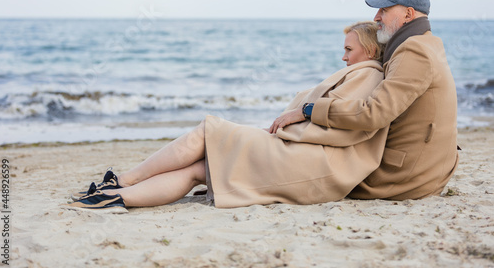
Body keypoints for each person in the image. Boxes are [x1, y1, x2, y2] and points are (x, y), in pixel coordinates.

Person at [66, 21, 388, 212]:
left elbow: (346, 125)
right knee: (199, 169)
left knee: (208, 130)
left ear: (370, 51)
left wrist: (289, 125)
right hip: (303, 154)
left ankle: (121, 183)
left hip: (311, 161)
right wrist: (284, 128)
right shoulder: (362, 73)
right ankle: (118, 196)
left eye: (349, 49)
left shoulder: (368, 75)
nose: (343, 55)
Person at [285, 0, 459, 200]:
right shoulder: (429, 43)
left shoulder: (413, 50)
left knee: (298, 165)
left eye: (384, 10)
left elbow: (373, 113)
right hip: (427, 169)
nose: (376, 17)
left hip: (402, 176)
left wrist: (308, 110)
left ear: (408, 14)